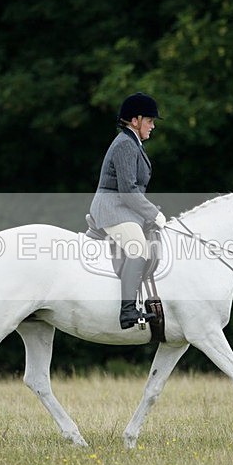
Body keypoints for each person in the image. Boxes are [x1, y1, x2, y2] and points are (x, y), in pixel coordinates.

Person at [89, 92, 167, 329]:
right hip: (113, 207)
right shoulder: (125, 144)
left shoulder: (133, 143)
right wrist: (153, 213)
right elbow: (128, 190)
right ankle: (128, 311)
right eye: (150, 120)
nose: (152, 126)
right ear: (135, 120)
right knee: (139, 248)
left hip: (124, 209)